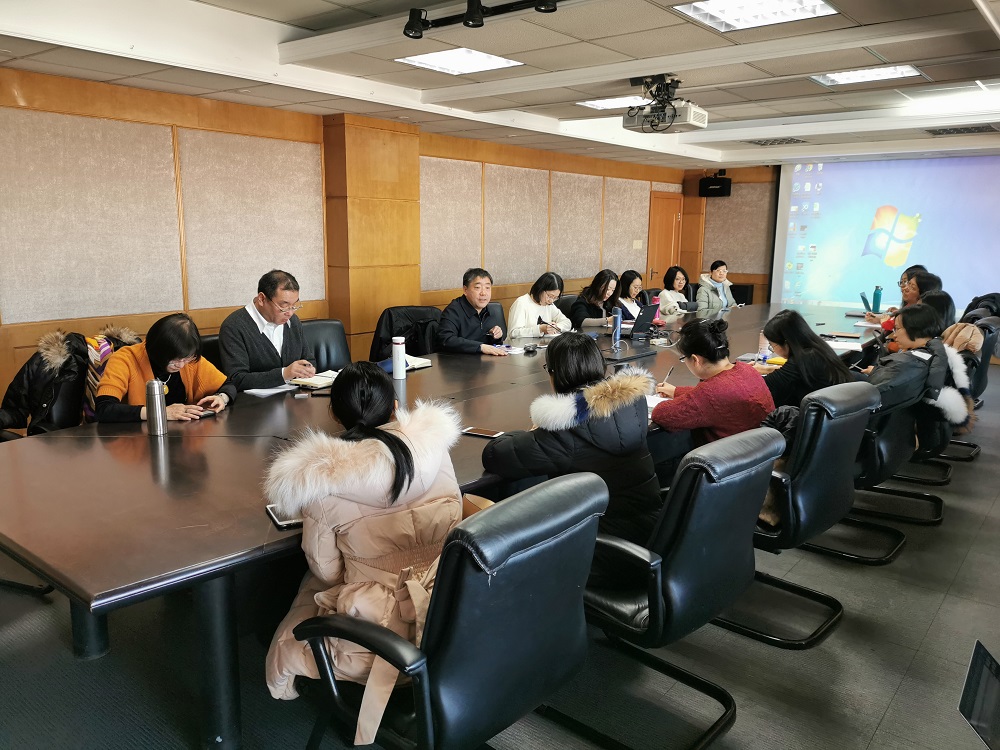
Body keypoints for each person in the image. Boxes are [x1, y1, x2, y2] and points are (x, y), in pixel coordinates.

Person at [263, 361, 462, 745]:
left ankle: (287, 685)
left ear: (335, 414)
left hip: (376, 638)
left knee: (306, 594)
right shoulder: (436, 447)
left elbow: (326, 571)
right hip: (449, 615)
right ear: (394, 407)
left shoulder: (322, 482)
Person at [482, 332, 660, 548]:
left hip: (601, 544)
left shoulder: (565, 427)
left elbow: (495, 455)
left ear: (556, 374)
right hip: (650, 528)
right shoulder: (633, 402)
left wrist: (534, 432)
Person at [651, 319, 774, 445]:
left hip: (728, 455)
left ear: (695, 360)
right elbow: (719, 397)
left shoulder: (709, 393)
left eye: (683, 358)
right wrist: (676, 391)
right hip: (761, 451)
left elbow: (660, 415)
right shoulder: (747, 370)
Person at [95, 313, 234, 423]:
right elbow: (104, 409)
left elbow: (228, 385)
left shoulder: (189, 359)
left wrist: (221, 398)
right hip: (138, 440)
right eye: (175, 360)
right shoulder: (125, 359)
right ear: (157, 350)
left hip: (185, 438)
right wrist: (160, 412)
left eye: (186, 358)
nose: (181, 365)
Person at [219, 269, 316, 391]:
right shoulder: (234, 326)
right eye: (284, 306)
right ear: (261, 299)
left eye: (294, 305)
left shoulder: (293, 321)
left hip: (294, 397)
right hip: (253, 401)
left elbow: (308, 359)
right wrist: (284, 374)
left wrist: (308, 368)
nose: (290, 313)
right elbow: (236, 379)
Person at [755, 309, 854, 408]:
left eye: (772, 345)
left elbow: (764, 386)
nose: (773, 350)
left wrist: (748, 372)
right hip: (839, 410)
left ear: (786, 342)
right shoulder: (817, 349)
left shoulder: (803, 360)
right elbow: (794, 373)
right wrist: (767, 369)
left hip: (821, 412)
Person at [437, 267, 508, 355]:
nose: (483, 293)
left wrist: (496, 336)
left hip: (483, 360)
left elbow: (491, 345)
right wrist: (480, 347)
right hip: (457, 361)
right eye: (477, 287)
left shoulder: (490, 310)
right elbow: (446, 340)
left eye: (487, 288)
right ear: (465, 290)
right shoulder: (453, 310)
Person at [506, 272, 571, 340]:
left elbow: (567, 322)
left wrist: (556, 327)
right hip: (520, 346)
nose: (551, 301)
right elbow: (514, 333)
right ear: (540, 289)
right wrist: (540, 329)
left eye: (555, 298)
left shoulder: (549, 305)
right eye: (549, 296)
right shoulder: (521, 303)